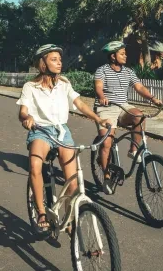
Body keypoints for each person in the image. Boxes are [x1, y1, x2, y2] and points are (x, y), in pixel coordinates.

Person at [17, 44, 110, 235]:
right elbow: (23, 111)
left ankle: (69, 218)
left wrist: (98, 118)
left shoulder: (64, 84)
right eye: (53, 59)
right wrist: (27, 119)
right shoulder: (30, 87)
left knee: (73, 181)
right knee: (35, 165)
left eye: (59, 60)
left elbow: (79, 104)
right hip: (40, 131)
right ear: (42, 64)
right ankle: (41, 213)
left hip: (61, 131)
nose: (59, 63)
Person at [94, 41, 162, 194]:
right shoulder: (102, 71)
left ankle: (133, 150)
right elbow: (98, 86)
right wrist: (102, 96)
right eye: (122, 53)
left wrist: (152, 98)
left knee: (139, 115)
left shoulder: (128, 72)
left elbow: (139, 87)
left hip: (123, 106)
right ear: (113, 56)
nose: (125, 56)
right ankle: (106, 176)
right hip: (107, 107)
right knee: (106, 144)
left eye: (125, 53)